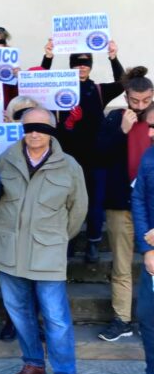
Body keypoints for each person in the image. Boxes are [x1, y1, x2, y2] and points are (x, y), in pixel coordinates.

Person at [0, 107, 88, 374]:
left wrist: (54, 237)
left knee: (56, 320)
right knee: (19, 313)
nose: (34, 132)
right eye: (29, 127)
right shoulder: (6, 159)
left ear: (52, 132)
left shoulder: (69, 166)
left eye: (41, 128)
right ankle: (33, 364)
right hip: (9, 252)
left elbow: (78, 211)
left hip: (48, 253)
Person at [41, 39, 125, 263]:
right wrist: (47, 58)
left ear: (90, 65)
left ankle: (93, 244)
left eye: (85, 62)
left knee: (95, 203)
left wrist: (113, 57)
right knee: (67, 202)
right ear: (71, 65)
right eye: (77, 62)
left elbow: (123, 83)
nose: (81, 66)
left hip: (96, 158)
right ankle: (68, 242)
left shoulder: (98, 90)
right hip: (67, 158)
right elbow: (36, 84)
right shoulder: (57, 89)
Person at [96, 68, 154, 342]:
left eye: (146, 101)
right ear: (126, 96)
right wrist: (122, 131)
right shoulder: (115, 118)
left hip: (151, 203)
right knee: (121, 264)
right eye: (135, 100)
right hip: (121, 201)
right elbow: (100, 155)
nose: (140, 106)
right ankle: (122, 319)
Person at [0, 95, 42, 342]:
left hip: (40, 229)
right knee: (12, 277)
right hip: (10, 225)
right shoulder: (4, 155)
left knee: (38, 279)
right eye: (20, 116)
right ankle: (11, 322)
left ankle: (35, 322)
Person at [123, 104, 154, 374]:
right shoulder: (149, 156)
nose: (151, 133)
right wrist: (147, 248)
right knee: (148, 315)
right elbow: (140, 200)